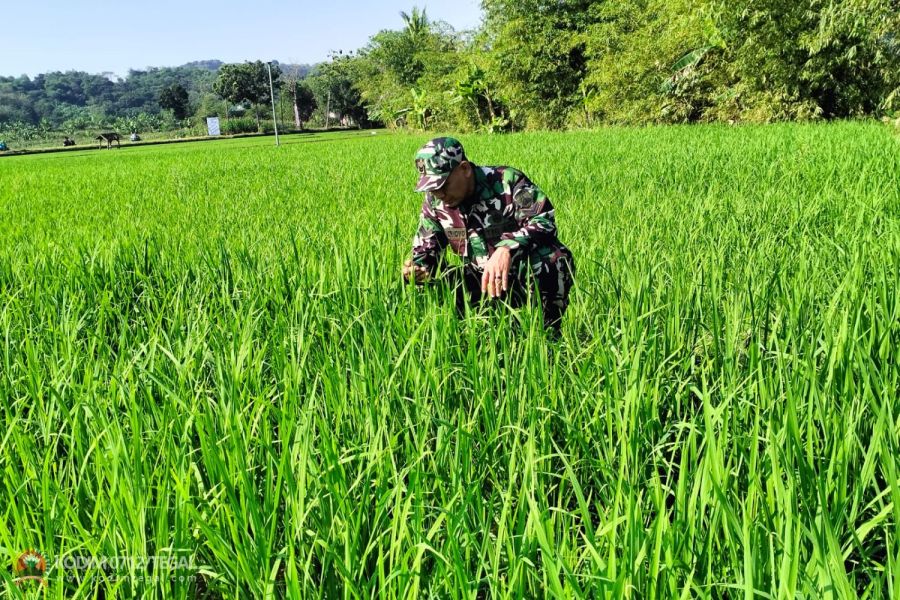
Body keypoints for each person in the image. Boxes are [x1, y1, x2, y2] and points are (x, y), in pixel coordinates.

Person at [402, 137, 575, 338]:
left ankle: (546, 334)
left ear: (465, 169)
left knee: (552, 258)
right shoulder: (435, 201)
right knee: (437, 283)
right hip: (481, 277)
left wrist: (507, 248)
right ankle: (467, 339)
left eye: (443, 184)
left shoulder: (506, 181)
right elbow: (426, 247)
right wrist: (417, 269)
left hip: (519, 273)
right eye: (432, 188)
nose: (439, 194)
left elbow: (543, 220)